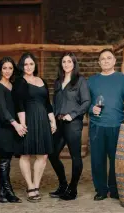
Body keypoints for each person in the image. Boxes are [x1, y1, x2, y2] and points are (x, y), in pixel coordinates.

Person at [88, 49, 124, 201]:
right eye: (103, 59)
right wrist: (91, 108)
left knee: (116, 159)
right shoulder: (92, 81)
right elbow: (84, 102)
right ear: (99, 62)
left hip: (116, 125)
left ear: (115, 61)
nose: (106, 61)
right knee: (97, 159)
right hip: (96, 125)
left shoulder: (123, 79)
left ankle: (115, 189)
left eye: (109, 58)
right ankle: (101, 190)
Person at [12, 52, 57, 202]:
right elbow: (18, 103)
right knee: (26, 154)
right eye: (25, 64)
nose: (29, 67)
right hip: (28, 118)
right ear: (21, 66)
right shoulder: (20, 81)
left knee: (43, 155)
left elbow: (47, 103)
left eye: (31, 64)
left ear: (35, 65)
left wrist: (52, 121)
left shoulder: (41, 80)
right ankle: (30, 186)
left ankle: (36, 185)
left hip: (43, 119)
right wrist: (22, 123)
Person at [48, 52, 91, 200]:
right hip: (58, 123)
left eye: (69, 61)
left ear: (74, 63)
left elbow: (86, 102)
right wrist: (53, 119)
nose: (66, 64)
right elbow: (55, 103)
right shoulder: (58, 82)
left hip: (73, 123)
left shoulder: (80, 81)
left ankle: (73, 189)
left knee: (75, 157)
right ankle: (63, 185)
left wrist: (72, 115)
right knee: (52, 154)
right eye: (64, 62)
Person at [0, 57, 27, 203]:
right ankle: (9, 191)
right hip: (2, 127)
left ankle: (1, 193)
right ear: (0, 70)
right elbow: (2, 109)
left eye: (10, 68)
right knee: (4, 160)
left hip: (11, 127)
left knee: (6, 160)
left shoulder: (12, 85)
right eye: (4, 68)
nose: (7, 71)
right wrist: (15, 124)